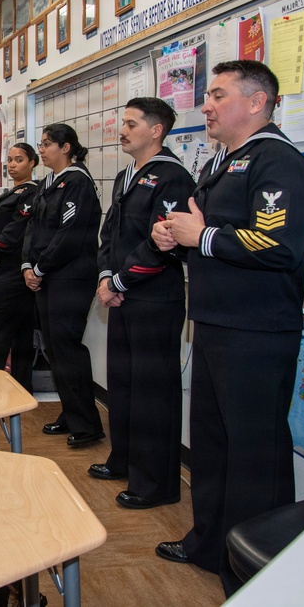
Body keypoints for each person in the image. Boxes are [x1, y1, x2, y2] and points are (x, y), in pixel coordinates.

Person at [151, 61, 304, 596]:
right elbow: (209, 232)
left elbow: (279, 245)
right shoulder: (227, 162)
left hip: (257, 332)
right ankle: (211, 542)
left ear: (257, 102)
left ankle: (254, 570)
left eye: (218, 94)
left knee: (253, 455)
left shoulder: (279, 163)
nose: (205, 105)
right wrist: (175, 237)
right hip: (218, 324)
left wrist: (199, 237)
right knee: (214, 445)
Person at [89, 98, 195, 510]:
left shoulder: (171, 177)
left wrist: (118, 280)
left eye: (132, 123)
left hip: (153, 298)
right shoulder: (125, 176)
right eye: (123, 122)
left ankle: (155, 484)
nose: (123, 129)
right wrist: (104, 277)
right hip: (120, 295)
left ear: (156, 131)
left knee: (153, 394)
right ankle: (125, 460)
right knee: (125, 386)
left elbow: (164, 242)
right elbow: (109, 235)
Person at [24, 123, 103, 447]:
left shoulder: (78, 183)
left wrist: (41, 267)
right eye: (40, 144)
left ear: (66, 147)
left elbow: (69, 235)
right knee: (54, 349)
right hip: (47, 276)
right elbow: (35, 227)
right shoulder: (49, 181)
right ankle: (71, 413)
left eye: (47, 144)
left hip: (70, 278)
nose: (41, 150)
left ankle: (87, 424)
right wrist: (29, 264)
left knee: (68, 350)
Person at [0, 143, 40, 389]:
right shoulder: (11, 191)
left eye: (19, 160)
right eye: (10, 160)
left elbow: (14, 232)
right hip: (0, 267)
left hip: (14, 272)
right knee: (18, 331)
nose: (12, 165)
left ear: (32, 163)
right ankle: (19, 387)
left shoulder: (31, 192)